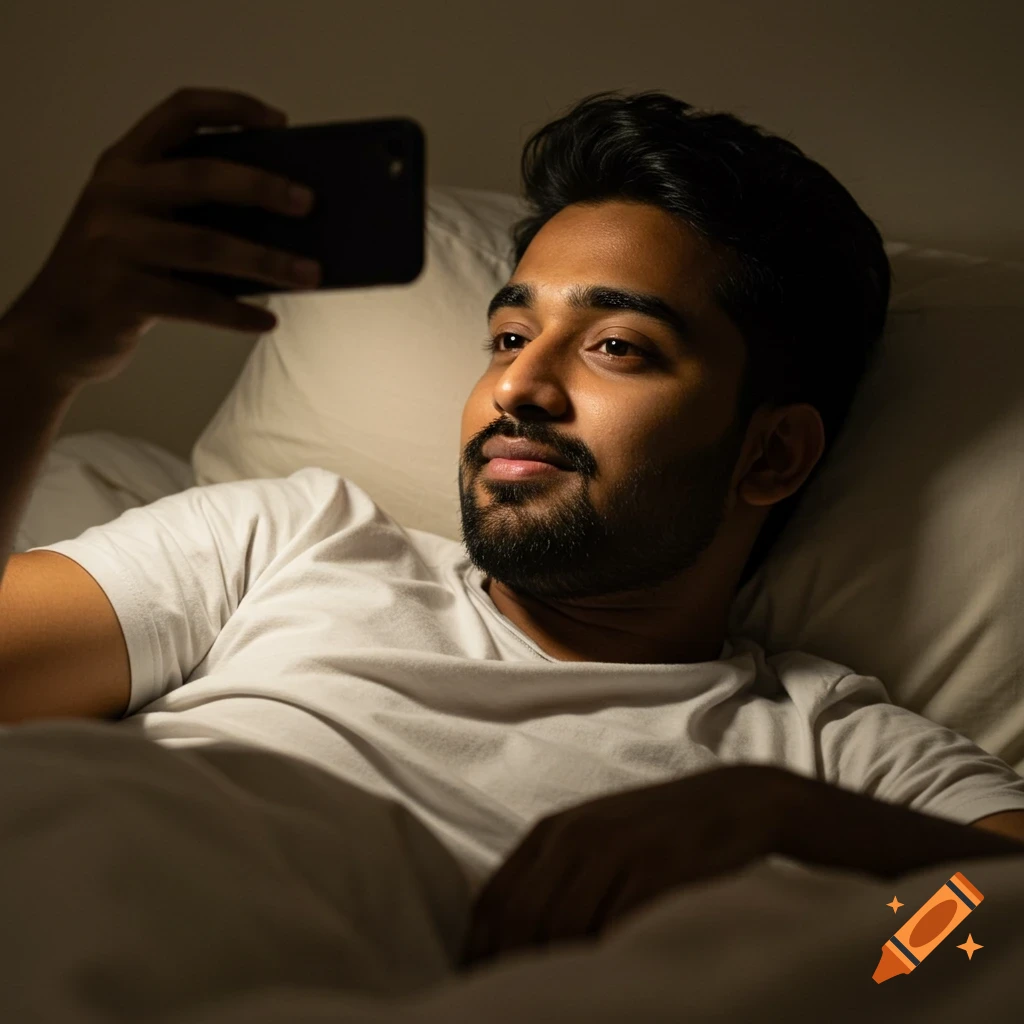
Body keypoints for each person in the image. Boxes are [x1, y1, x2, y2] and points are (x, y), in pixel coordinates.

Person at [1, 87, 1023, 1019]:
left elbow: (968, 938)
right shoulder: (284, 537)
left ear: (770, 452)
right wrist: (41, 350)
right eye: (506, 335)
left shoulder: (829, 752)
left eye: (616, 345)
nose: (517, 389)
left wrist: (798, 830)